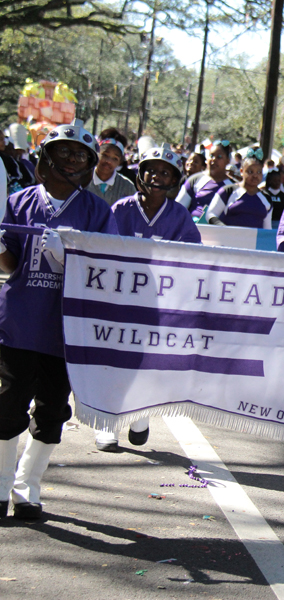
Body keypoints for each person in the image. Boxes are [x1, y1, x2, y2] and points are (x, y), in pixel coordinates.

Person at [0, 120, 117, 520]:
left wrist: (72, 257)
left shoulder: (97, 211)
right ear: (46, 157)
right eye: (64, 151)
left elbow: (109, 271)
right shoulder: (17, 202)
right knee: (6, 407)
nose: (71, 159)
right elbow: (10, 263)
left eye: (80, 154)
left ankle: (27, 487)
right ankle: (0, 487)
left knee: (51, 412)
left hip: (66, 330)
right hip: (18, 324)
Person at [96, 144, 201, 452]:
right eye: (152, 170)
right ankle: (107, 424)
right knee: (114, 361)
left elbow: (193, 256)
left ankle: (140, 413)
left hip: (158, 305)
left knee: (147, 363)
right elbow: (105, 250)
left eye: (165, 172)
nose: (158, 176)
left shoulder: (179, 216)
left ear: (174, 181)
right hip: (121, 300)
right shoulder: (121, 209)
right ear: (140, 175)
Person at [207, 151, 272, 229]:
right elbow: (210, 214)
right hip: (227, 239)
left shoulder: (266, 198)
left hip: (253, 241)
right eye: (250, 172)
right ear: (241, 171)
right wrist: (224, 229)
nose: (255, 176)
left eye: (259, 172)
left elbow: (267, 229)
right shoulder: (228, 191)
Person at [175, 140, 232, 220]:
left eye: (219, 157)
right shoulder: (194, 180)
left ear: (227, 160)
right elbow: (178, 210)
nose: (214, 160)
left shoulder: (233, 186)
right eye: (211, 156)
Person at [86, 129, 136, 206]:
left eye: (115, 158)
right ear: (97, 153)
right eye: (105, 155)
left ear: (120, 162)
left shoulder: (127, 187)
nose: (109, 161)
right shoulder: (82, 180)